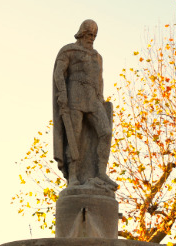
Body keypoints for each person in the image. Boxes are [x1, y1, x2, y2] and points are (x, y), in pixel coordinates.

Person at [52, 19, 118, 190]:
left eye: (94, 35)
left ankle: (101, 172)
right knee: (75, 136)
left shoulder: (97, 57)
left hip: (93, 98)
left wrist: (101, 98)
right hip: (75, 95)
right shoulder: (69, 51)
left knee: (105, 132)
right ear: (81, 33)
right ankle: (73, 175)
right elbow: (59, 73)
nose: (92, 38)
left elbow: (100, 80)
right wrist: (62, 94)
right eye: (89, 34)